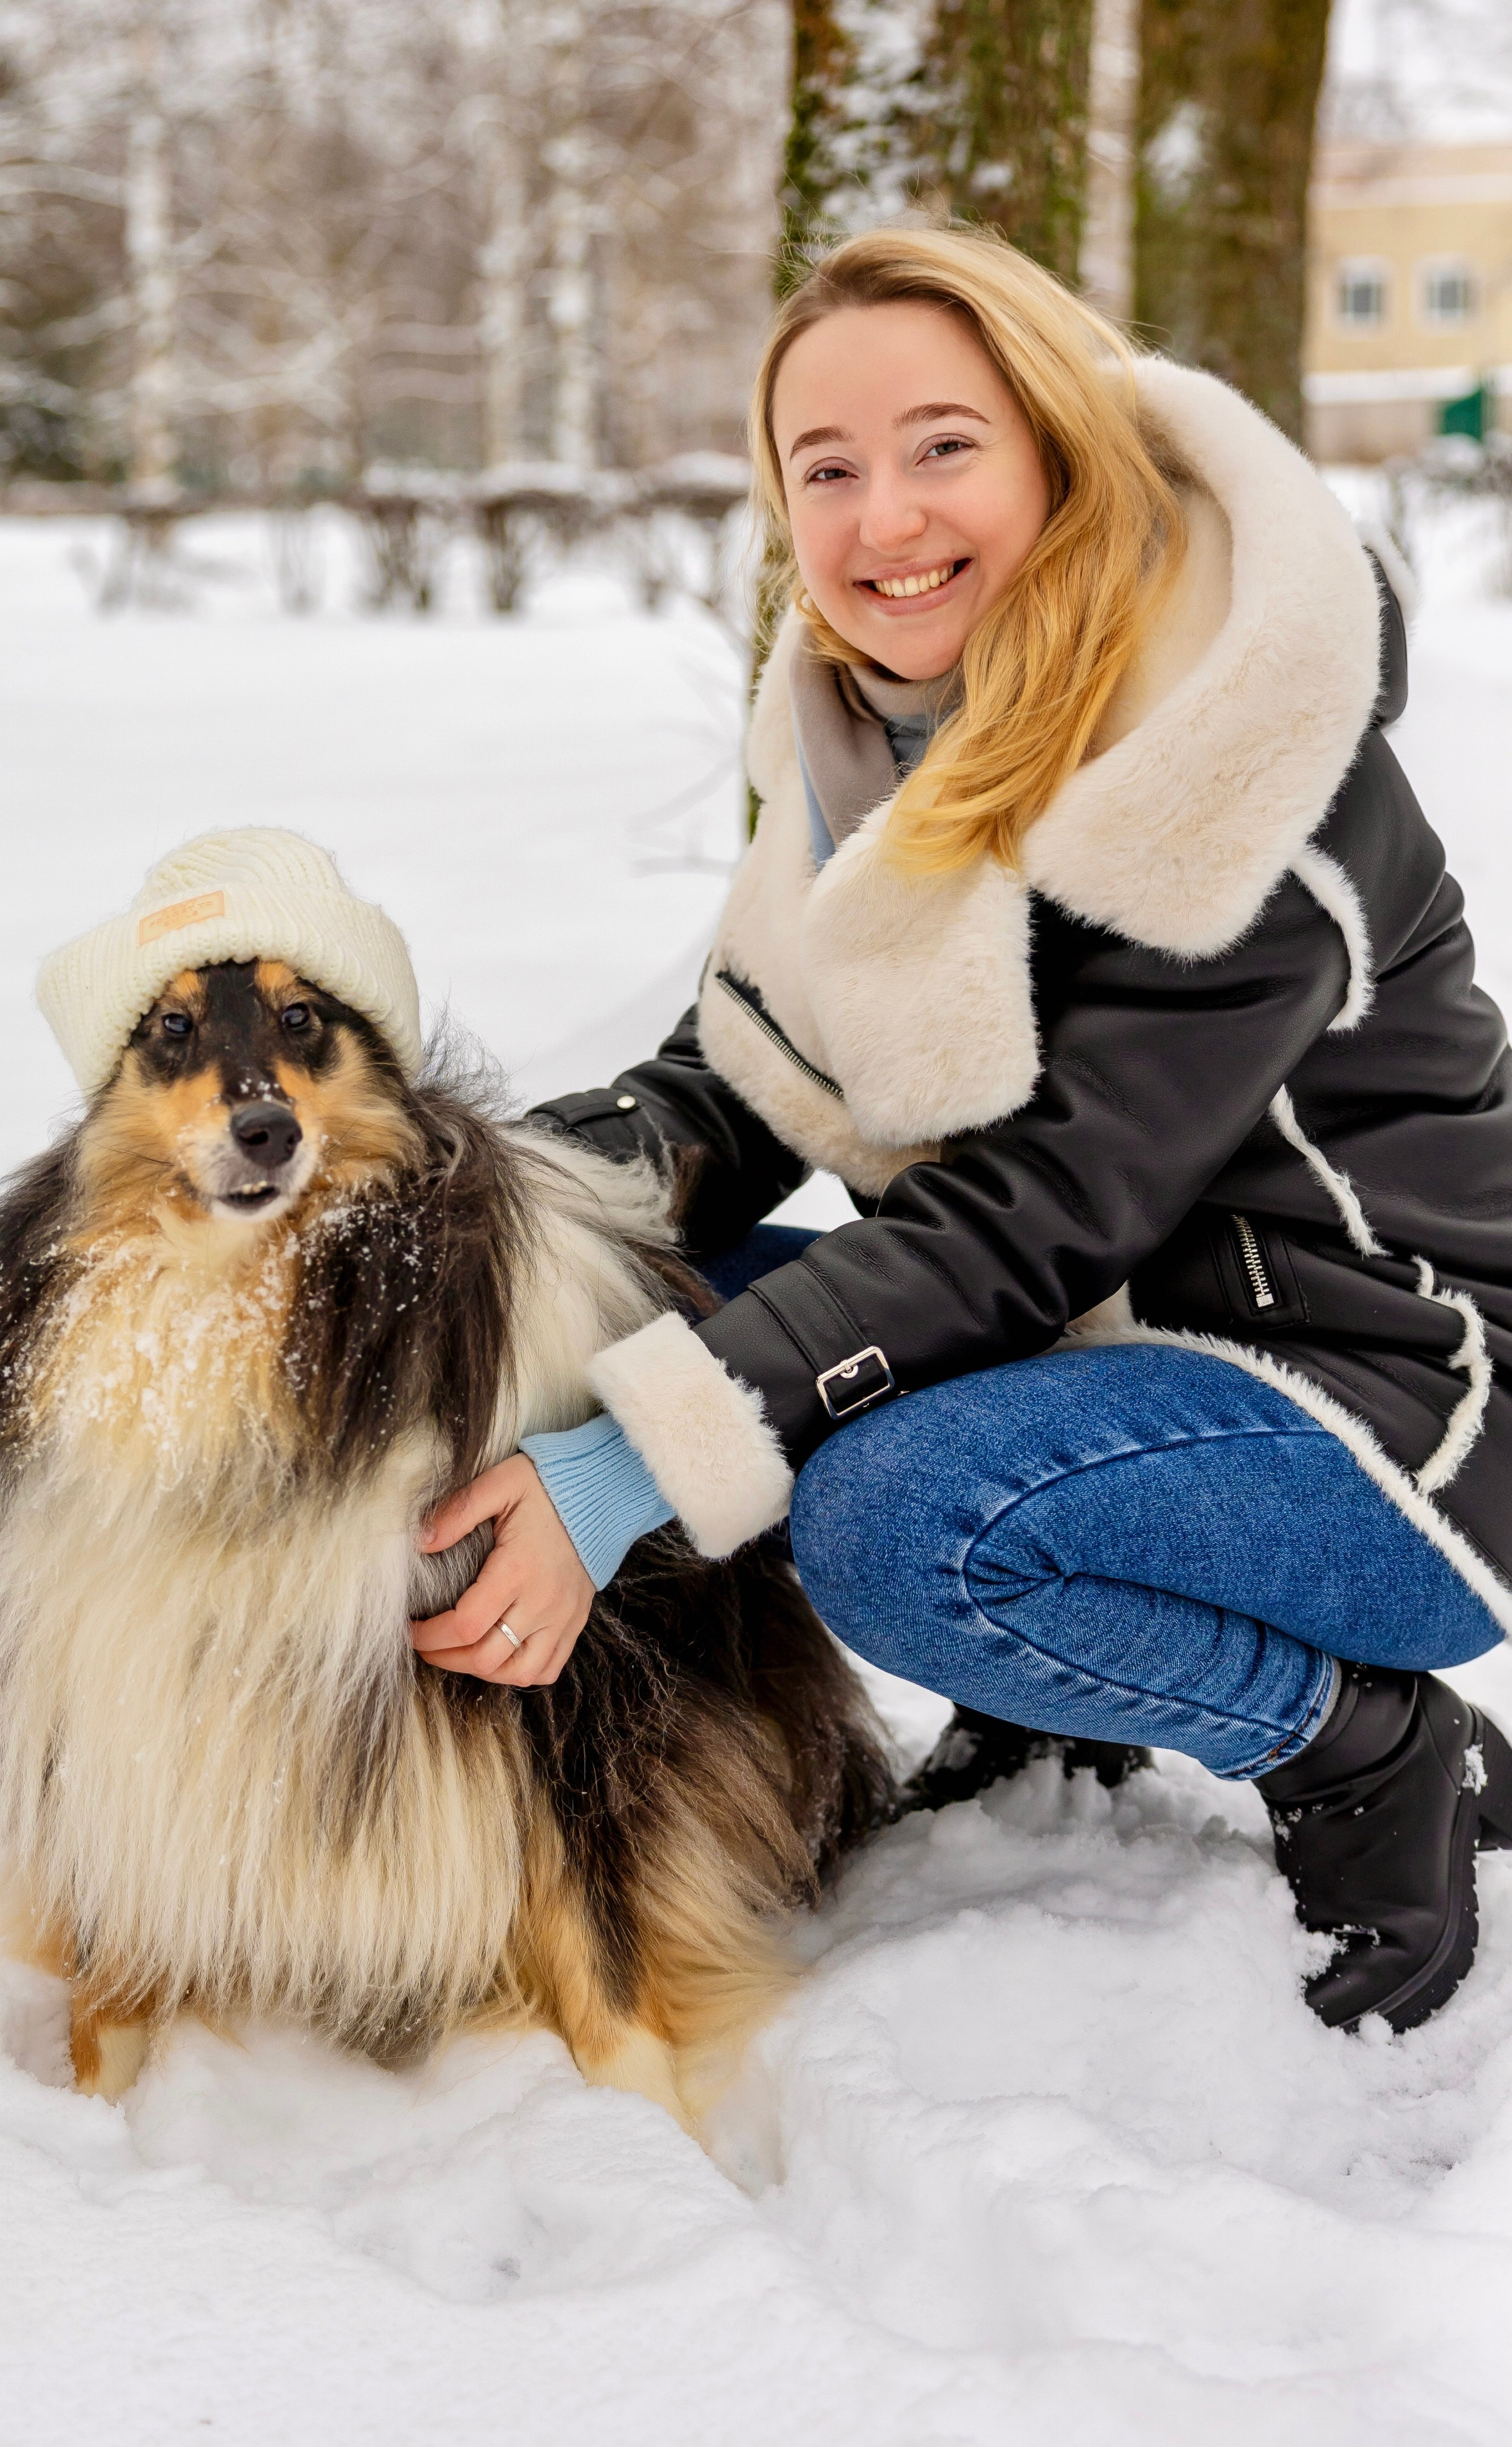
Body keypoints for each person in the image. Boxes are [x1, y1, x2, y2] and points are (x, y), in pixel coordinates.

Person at [411, 225, 1512, 2036]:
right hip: (1105, 1359)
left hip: (1383, 1409)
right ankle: (1060, 1699)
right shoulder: (864, 735)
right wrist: (459, 1206)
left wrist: (621, 1473)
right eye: (824, 469)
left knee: (897, 1519)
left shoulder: (1229, 749)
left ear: (1058, 448)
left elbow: (1043, 1215)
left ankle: (1371, 1748)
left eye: (942, 446)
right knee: (618, 1294)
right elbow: (737, 1080)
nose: (883, 519)